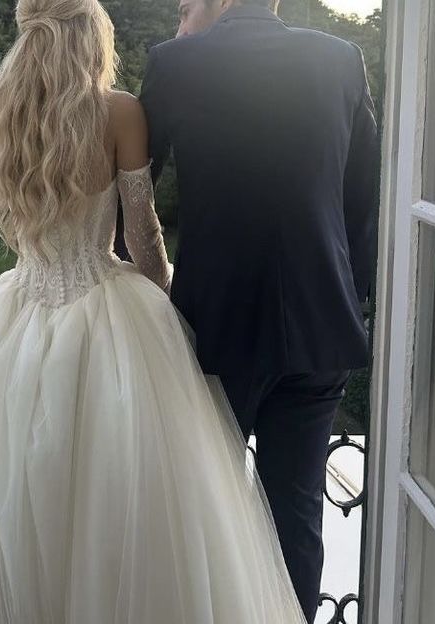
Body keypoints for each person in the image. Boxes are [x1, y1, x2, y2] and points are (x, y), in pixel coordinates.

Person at [0, 0, 307, 622]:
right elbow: (143, 236)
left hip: (14, 314)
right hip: (105, 314)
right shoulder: (117, 111)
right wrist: (165, 302)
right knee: (116, 497)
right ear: (94, 36)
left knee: (6, 487)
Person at [140, 0, 379, 621]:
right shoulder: (340, 60)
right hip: (319, 327)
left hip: (210, 330)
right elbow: (363, 202)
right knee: (296, 518)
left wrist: (132, 295)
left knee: (201, 514)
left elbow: (129, 196)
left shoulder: (174, 64)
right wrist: (349, 296)